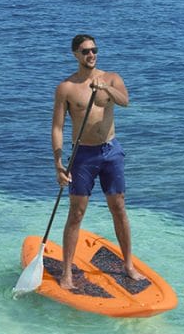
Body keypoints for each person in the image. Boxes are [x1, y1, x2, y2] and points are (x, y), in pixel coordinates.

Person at [51, 33, 145, 293]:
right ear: (75, 54)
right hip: (83, 155)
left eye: (94, 50)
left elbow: (125, 101)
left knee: (118, 207)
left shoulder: (111, 78)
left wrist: (105, 88)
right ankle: (67, 272)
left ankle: (127, 264)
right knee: (77, 212)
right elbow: (57, 127)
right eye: (85, 51)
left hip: (111, 151)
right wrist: (58, 162)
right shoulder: (66, 88)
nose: (91, 55)